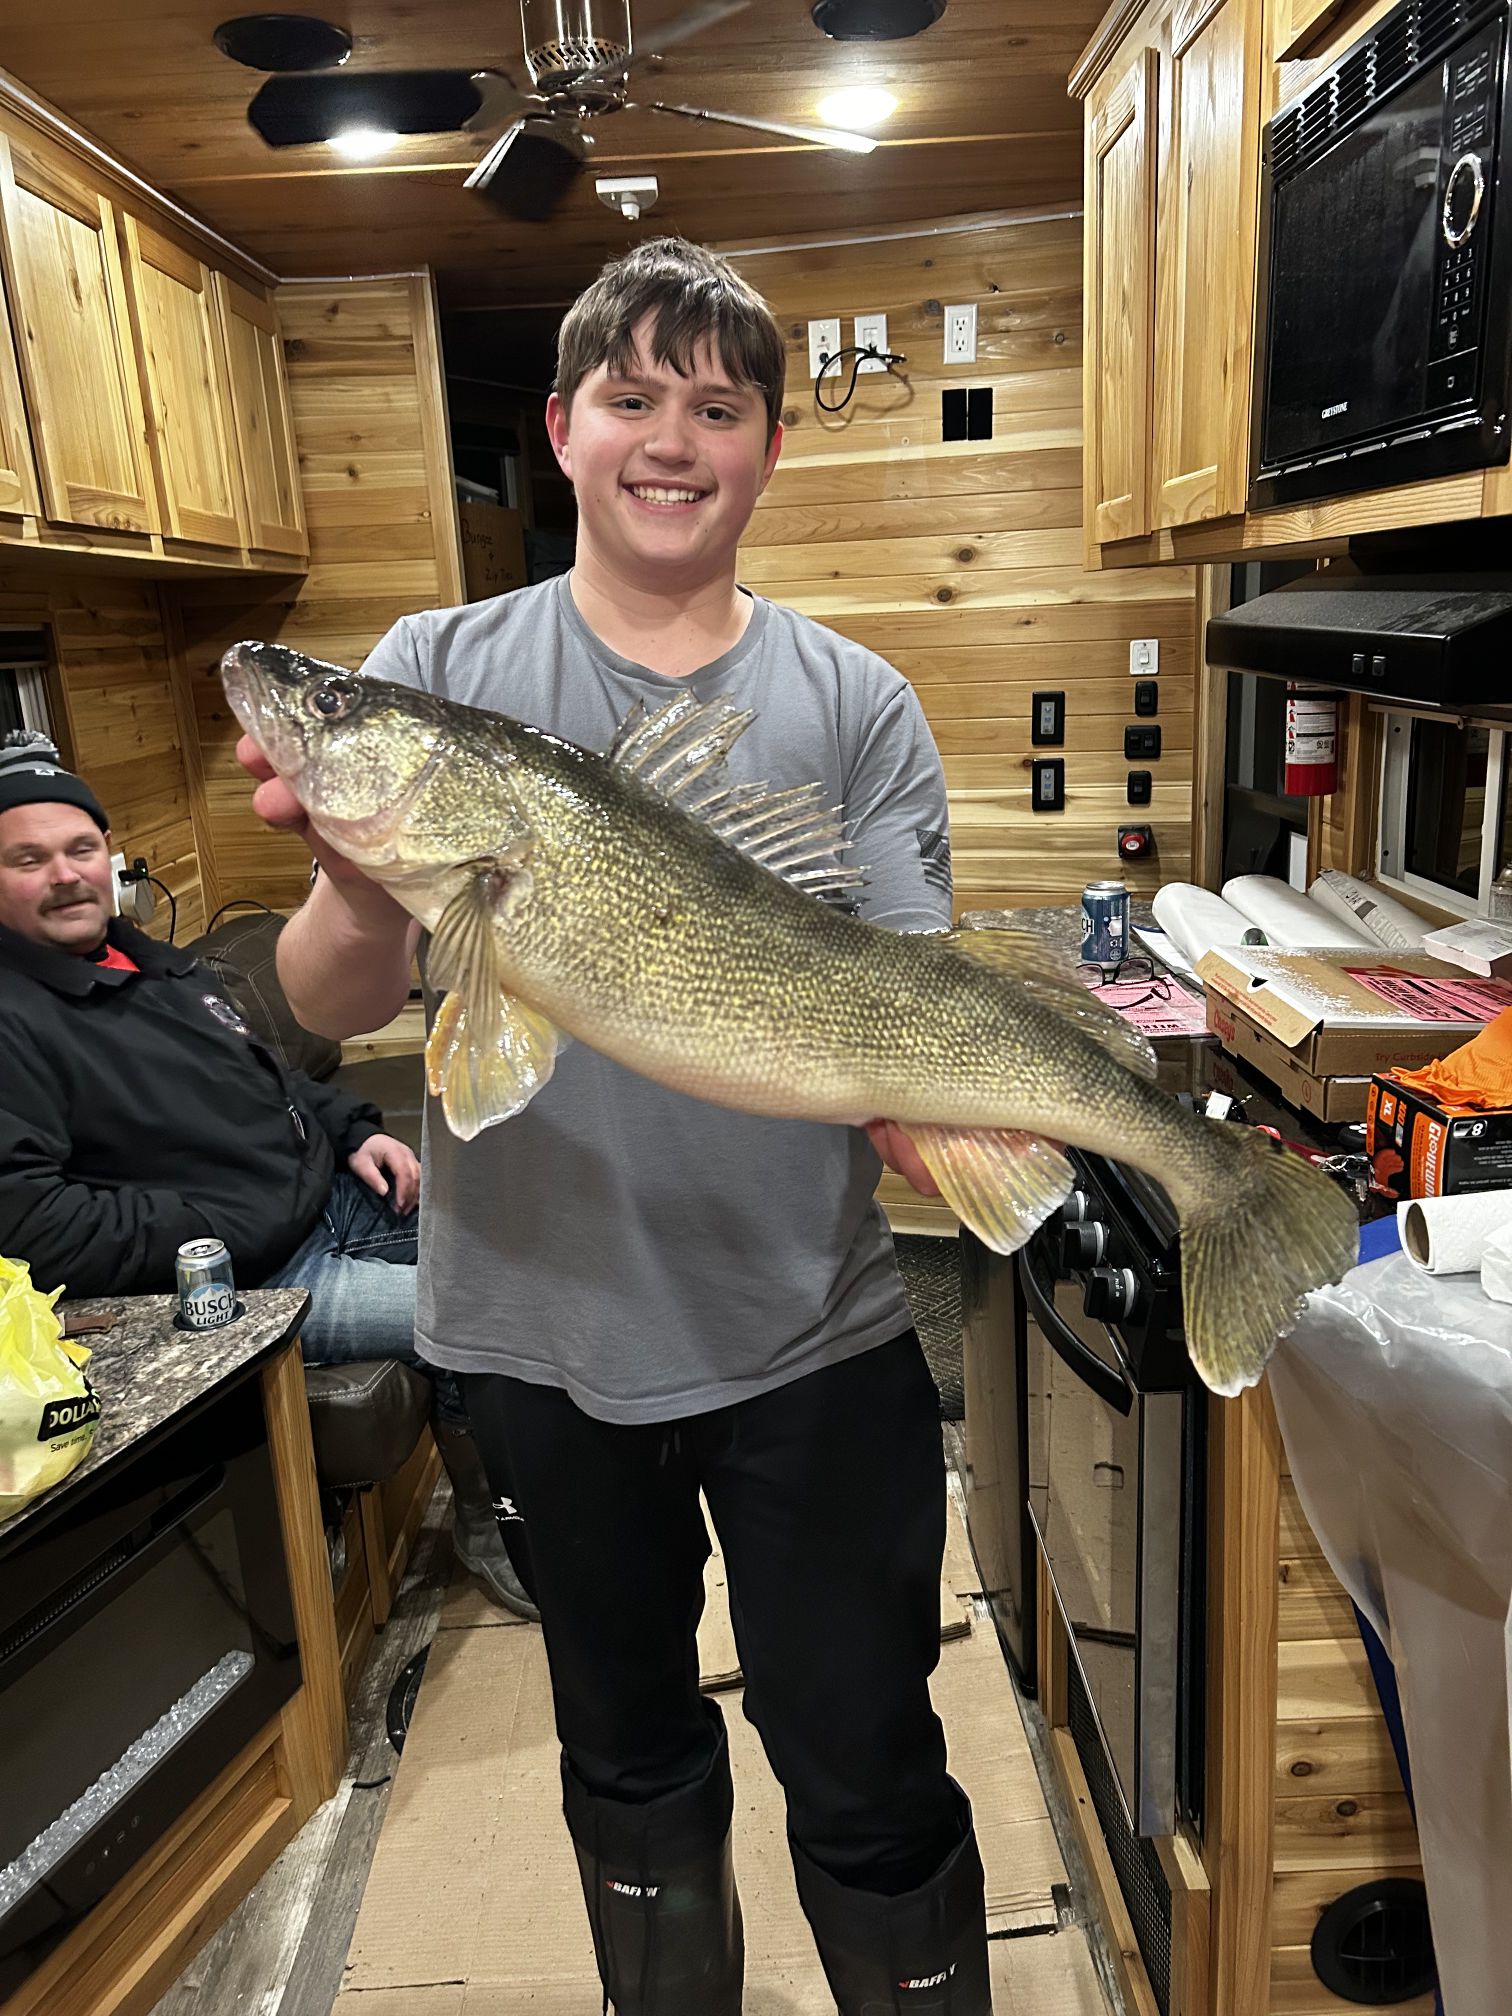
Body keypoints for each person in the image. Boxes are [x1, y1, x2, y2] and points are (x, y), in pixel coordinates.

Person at [243, 237, 988, 2013]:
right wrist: (358, 872)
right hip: (539, 1337)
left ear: (769, 449)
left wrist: (952, 1122)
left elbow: (905, 997)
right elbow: (331, 1002)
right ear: (563, 428)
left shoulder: (854, 701)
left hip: (813, 1332)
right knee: (629, 1754)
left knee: (870, 1760)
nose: (672, 437)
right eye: (631, 398)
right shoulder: (437, 666)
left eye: (717, 407)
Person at [0, 729, 535, 1620]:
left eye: (80, 849)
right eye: (28, 859)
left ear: (108, 855)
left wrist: (351, 1130)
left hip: (331, 1199)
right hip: (257, 1279)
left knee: (528, 1236)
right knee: (481, 1305)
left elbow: (265, 1076)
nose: (65, 875)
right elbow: (32, 1224)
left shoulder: (149, 963)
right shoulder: (13, 1022)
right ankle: (496, 1524)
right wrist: (219, 1224)